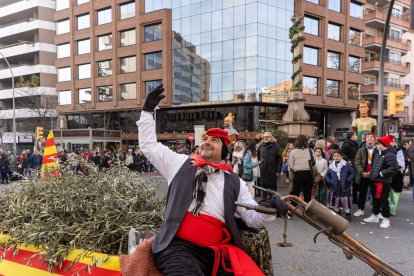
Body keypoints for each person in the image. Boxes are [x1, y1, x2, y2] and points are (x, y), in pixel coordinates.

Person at [138, 85, 288, 275]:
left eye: (214, 140)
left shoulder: (234, 181)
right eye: (206, 138)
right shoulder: (179, 164)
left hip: (217, 252)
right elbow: (148, 145)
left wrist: (271, 208)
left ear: (225, 151)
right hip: (178, 247)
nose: (207, 141)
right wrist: (147, 111)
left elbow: (251, 219)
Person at [363, 135, 399, 229]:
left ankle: (386, 218)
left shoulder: (390, 154)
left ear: (382, 144)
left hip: (384, 181)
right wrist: (372, 172)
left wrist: (381, 173)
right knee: (375, 199)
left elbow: (394, 167)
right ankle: (375, 215)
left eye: (378, 143)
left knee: (384, 200)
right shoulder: (378, 153)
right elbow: (375, 165)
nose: (376, 144)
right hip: (375, 179)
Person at [326, 150, 355, 221]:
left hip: (344, 185)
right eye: (335, 156)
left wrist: (348, 180)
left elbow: (353, 173)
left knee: (345, 200)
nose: (336, 157)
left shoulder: (346, 165)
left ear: (341, 157)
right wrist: (330, 181)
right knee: (336, 199)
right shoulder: (331, 165)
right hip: (334, 185)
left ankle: (347, 214)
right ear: (333, 157)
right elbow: (327, 175)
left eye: (338, 156)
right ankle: (337, 212)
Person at [353, 132, 378, 217]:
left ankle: (376, 211)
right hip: (364, 175)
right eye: (368, 137)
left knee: (375, 193)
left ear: (374, 139)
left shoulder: (378, 149)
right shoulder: (362, 149)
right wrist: (362, 172)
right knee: (362, 193)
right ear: (365, 139)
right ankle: (361, 209)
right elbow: (357, 162)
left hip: (375, 175)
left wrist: (374, 172)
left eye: (371, 137)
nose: (369, 138)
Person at [288, 134, 314, 203]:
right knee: (307, 193)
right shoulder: (310, 150)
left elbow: (290, 164)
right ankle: (307, 208)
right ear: (306, 141)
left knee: (296, 192)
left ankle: (293, 208)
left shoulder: (293, 151)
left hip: (298, 173)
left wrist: (295, 169)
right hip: (309, 173)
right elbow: (314, 162)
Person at [257, 132, 283, 198]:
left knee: (272, 190)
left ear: (271, 137)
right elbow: (258, 158)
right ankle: (263, 203)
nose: (266, 138)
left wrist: (278, 171)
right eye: (265, 136)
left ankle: (272, 203)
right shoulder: (261, 146)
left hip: (272, 172)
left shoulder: (276, 146)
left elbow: (280, 160)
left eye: (267, 136)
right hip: (263, 171)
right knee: (263, 189)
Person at [388, 136, 405, 216]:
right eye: (391, 141)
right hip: (387, 174)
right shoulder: (384, 150)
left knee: (395, 194)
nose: (392, 143)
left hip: (396, 174)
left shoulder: (399, 150)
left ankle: (392, 210)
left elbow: (402, 164)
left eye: (394, 141)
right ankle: (386, 209)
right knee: (387, 193)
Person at [341, 131, 359, 204]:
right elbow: (341, 153)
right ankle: (345, 198)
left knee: (356, 183)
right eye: (355, 135)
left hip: (355, 165)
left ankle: (354, 199)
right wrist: (347, 161)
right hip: (349, 166)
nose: (357, 136)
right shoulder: (347, 144)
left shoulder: (354, 144)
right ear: (352, 136)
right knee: (348, 182)